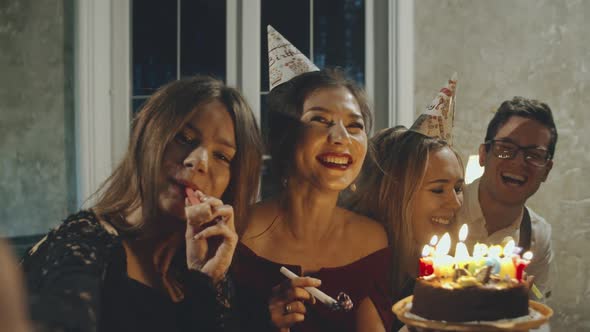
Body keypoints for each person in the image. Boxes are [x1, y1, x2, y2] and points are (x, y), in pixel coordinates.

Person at [20, 75, 263, 332]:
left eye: (222, 156)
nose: (199, 161)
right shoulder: (84, 242)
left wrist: (204, 281)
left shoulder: (209, 270)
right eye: (184, 138)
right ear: (148, 137)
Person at [232, 26, 393, 332]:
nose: (341, 137)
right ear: (285, 138)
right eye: (320, 120)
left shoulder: (374, 240)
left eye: (354, 126)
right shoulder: (238, 232)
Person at [347, 126, 464, 331]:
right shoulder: (360, 278)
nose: (455, 203)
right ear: (392, 195)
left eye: (458, 189)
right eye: (438, 189)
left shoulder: (452, 276)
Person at [456, 96, 557, 299]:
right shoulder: (446, 208)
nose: (519, 162)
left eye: (534, 155)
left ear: (546, 170)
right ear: (484, 154)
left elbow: (533, 316)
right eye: (505, 148)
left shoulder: (538, 237)